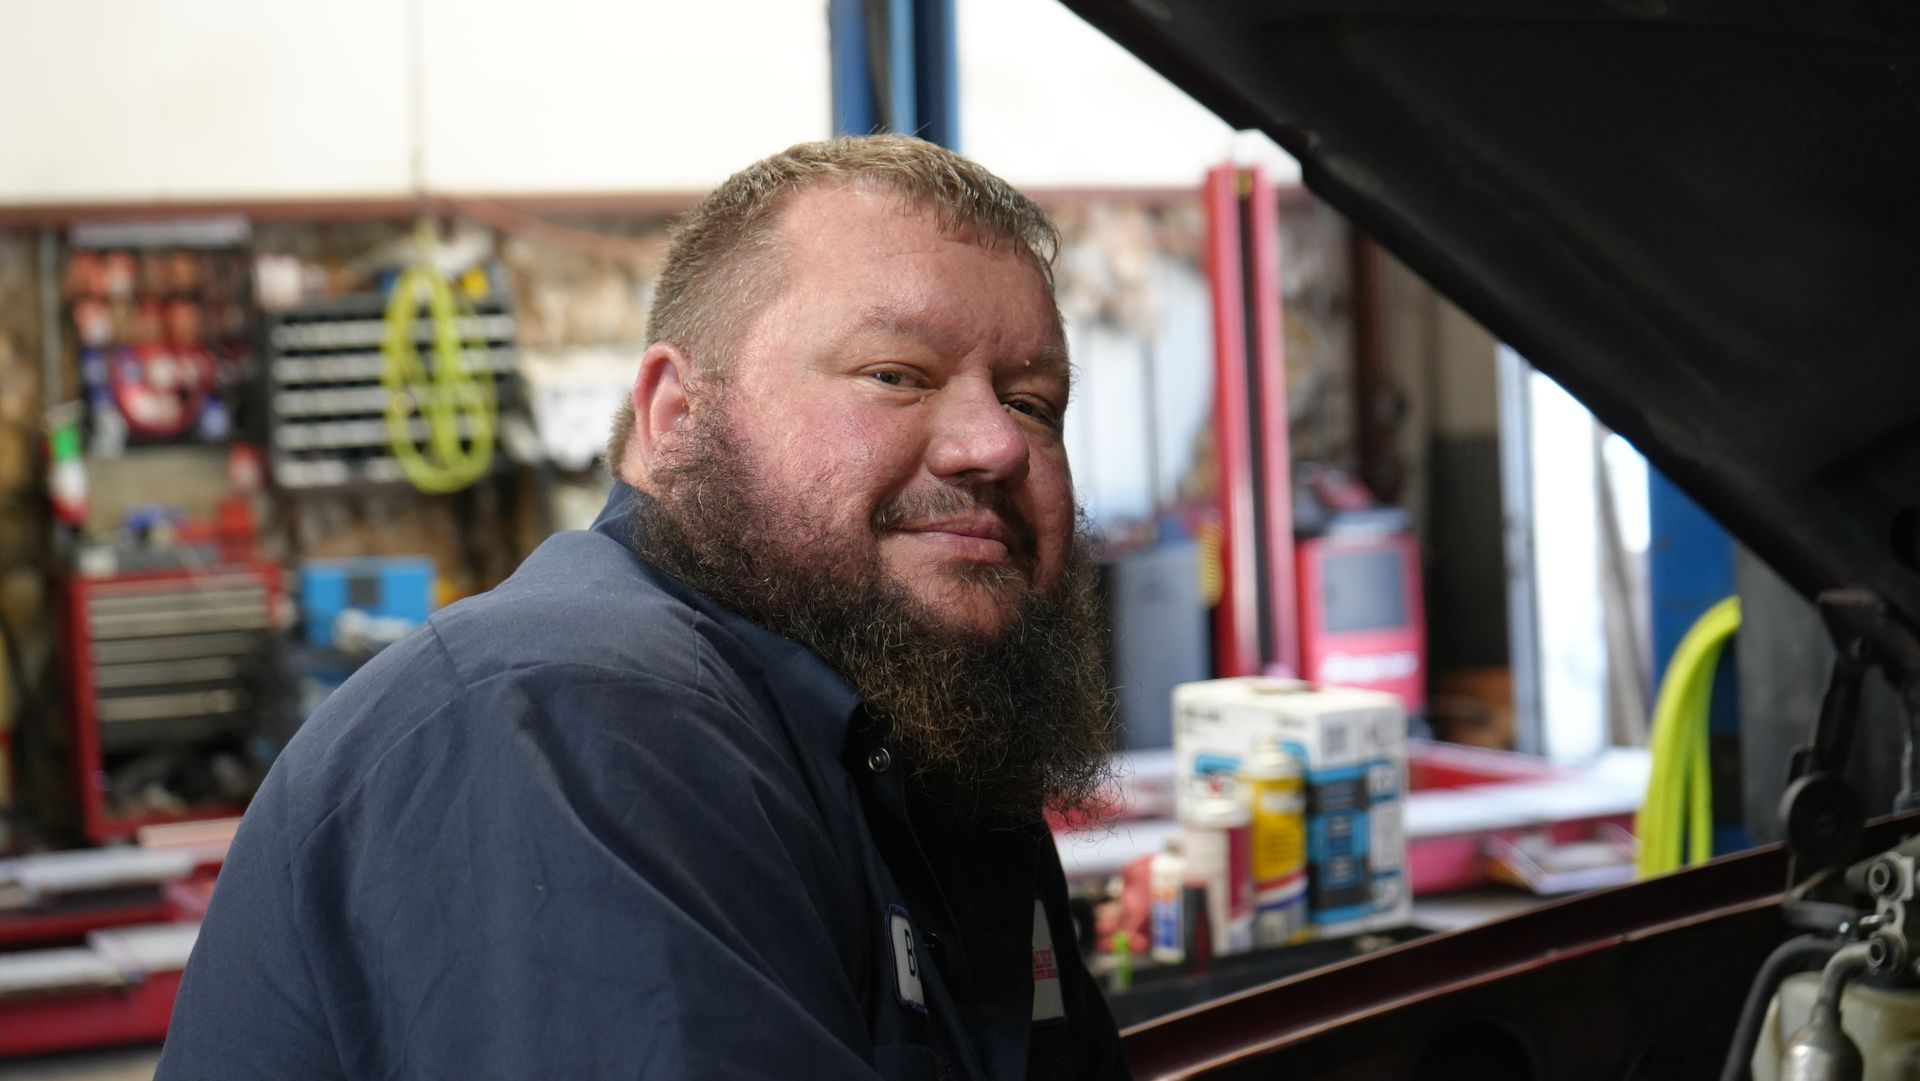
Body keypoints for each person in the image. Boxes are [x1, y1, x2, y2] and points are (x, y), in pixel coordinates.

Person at [157, 135, 1131, 1080]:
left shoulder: (940, 744)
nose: (995, 445)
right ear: (676, 414)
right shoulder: (572, 715)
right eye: (894, 375)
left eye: (1033, 402)